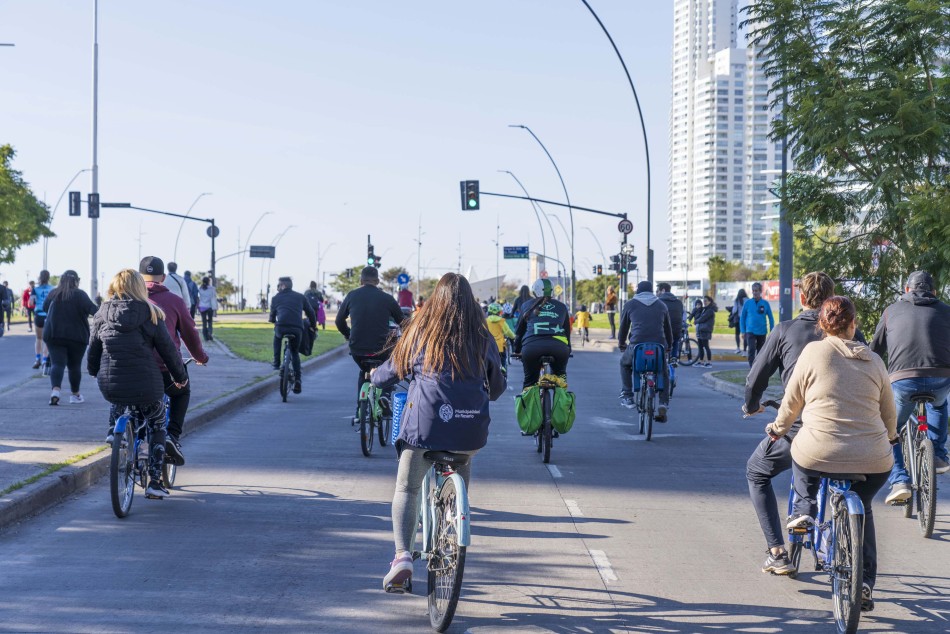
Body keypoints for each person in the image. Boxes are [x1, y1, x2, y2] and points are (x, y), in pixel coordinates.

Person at [371, 273, 506, 592]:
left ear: (435, 300)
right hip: (470, 430)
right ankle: (451, 524)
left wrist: (374, 375)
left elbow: (388, 373)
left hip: (425, 428)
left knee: (406, 487)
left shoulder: (420, 330)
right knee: (461, 461)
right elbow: (497, 388)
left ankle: (403, 556)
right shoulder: (481, 336)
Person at [766, 296, 897, 611]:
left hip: (819, 452)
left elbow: (792, 401)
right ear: (854, 325)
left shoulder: (813, 352)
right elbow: (889, 412)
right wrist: (890, 437)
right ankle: (864, 582)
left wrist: (778, 429)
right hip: (874, 458)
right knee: (862, 506)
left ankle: (805, 510)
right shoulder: (875, 361)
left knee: (801, 455)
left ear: (821, 326)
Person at [742, 271, 835, 575]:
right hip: (844, 431)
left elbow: (755, 378)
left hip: (798, 431)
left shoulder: (785, 331)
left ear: (803, 298)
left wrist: (752, 405)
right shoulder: (847, 332)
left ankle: (777, 551)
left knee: (756, 471)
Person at [88, 269, 189, 500]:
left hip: (110, 382)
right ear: (139, 287)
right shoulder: (151, 313)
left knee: (118, 397)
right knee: (157, 422)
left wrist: (93, 371)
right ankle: (154, 482)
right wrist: (180, 376)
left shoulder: (102, 312)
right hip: (146, 384)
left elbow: (93, 349)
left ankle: (114, 431)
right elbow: (169, 351)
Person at [871, 270, 950, 504]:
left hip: (903, 380)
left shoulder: (890, 311)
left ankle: (899, 479)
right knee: (939, 404)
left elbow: (875, 350)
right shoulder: (947, 311)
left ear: (906, 290)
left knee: (889, 429)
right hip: (941, 378)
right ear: (934, 292)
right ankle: (938, 454)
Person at [141, 256, 210, 464]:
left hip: (135, 368)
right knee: (182, 391)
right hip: (166, 368)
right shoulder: (175, 301)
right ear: (163, 277)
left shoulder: (130, 299)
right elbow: (190, 334)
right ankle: (172, 436)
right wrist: (200, 357)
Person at [335, 266, 405, 419]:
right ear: (378, 281)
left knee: (364, 372)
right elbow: (403, 322)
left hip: (357, 349)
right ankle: (385, 395)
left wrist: (348, 335)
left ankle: (360, 409)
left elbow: (339, 320)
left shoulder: (352, 296)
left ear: (361, 280)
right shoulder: (387, 298)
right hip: (381, 349)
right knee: (388, 366)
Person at [618, 280, 673, 421]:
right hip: (658, 346)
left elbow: (623, 328)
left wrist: (621, 343)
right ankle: (663, 403)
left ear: (638, 291)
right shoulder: (661, 305)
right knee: (663, 371)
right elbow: (668, 329)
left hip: (637, 346)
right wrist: (669, 346)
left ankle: (628, 395)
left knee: (624, 364)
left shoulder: (630, 304)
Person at [40, 270, 98, 405]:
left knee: (57, 363)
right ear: (77, 281)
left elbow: (44, 308)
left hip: (54, 334)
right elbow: (95, 311)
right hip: (76, 336)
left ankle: (55, 391)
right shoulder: (80, 295)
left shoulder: (54, 293)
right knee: (74, 366)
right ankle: (75, 395)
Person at [513, 278, 571, 391]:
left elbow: (519, 332)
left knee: (530, 382)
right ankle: (561, 404)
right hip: (559, 348)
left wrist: (517, 349)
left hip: (532, 347)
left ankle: (529, 407)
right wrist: (568, 349)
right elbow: (566, 332)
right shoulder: (562, 307)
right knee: (560, 379)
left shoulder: (526, 306)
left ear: (535, 291)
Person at [270, 276, 317, 394]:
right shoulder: (300, 297)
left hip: (281, 327)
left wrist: (273, 320)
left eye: (278, 285)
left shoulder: (276, 298)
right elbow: (311, 312)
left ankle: (276, 363)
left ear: (282, 286)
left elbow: (272, 316)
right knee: (295, 352)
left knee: (277, 338)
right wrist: (313, 325)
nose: (278, 287)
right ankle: (298, 380)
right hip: (297, 328)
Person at [740, 282, 774, 366]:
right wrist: (743, 331)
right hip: (750, 331)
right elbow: (742, 317)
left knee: (761, 351)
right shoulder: (747, 303)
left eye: (756, 291)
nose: (755, 292)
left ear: (760, 291)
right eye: (753, 291)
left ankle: (758, 367)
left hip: (762, 331)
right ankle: (751, 367)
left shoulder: (765, 303)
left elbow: (771, 318)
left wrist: (772, 330)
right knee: (751, 349)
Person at [31, 270, 55, 370]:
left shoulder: (35, 289)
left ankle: (37, 359)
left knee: (38, 338)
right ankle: (45, 360)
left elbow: (31, 302)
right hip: (49, 315)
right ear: (49, 277)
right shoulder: (53, 289)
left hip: (38, 315)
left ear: (39, 277)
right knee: (47, 340)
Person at [656, 283, 685, 361]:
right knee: (675, 341)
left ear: (663, 290)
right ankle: (674, 357)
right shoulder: (679, 302)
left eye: (657, 291)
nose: (656, 293)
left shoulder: (659, 302)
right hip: (677, 331)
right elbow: (682, 315)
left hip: (663, 331)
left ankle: (662, 360)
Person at [486, 302, 515, 371]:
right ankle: (503, 368)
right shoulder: (501, 321)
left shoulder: (485, 321)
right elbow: (508, 332)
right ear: (499, 312)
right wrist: (514, 337)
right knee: (503, 357)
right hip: (500, 346)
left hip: (488, 346)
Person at [693, 295, 717, 367]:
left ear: (710, 301)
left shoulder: (710, 310)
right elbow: (698, 315)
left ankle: (709, 362)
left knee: (706, 346)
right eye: (704, 301)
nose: (704, 302)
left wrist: (696, 321)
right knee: (700, 347)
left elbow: (702, 318)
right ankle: (701, 361)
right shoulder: (704, 309)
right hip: (701, 330)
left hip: (705, 330)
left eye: (706, 301)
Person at [197, 276, 218, 341]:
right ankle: (210, 332)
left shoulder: (200, 288)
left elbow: (199, 297)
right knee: (210, 321)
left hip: (202, 306)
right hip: (209, 307)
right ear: (209, 281)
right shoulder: (212, 289)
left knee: (204, 322)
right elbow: (214, 297)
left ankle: (205, 336)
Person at [731, 288, 748, 354]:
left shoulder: (737, 300)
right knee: (745, 335)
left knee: (737, 334)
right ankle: (744, 350)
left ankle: (738, 348)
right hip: (746, 320)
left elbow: (734, 310)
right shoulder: (748, 300)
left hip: (738, 319)